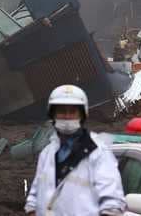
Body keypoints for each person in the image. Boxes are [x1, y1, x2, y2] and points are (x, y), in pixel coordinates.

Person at [25, 85, 126, 216]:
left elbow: (112, 203)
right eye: (61, 111)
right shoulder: (47, 152)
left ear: (83, 114)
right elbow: (36, 193)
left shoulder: (97, 152)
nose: (67, 116)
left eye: (73, 111)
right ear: (52, 114)